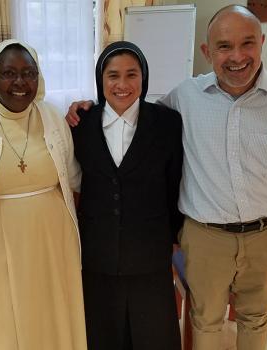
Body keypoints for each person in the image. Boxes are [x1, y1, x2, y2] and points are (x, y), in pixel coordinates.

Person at [66, 5, 267, 350]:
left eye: (247, 44)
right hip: (206, 239)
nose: (237, 57)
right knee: (204, 323)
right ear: (207, 52)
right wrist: (85, 106)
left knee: (256, 320)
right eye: (224, 46)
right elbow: (135, 116)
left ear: (262, 43)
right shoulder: (184, 98)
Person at [0, 39, 87, 350]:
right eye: (9, 73)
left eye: (29, 73)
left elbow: (72, 179)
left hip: (54, 237)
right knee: (5, 313)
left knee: (53, 310)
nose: (20, 82)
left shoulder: (53, 116)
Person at [71, 41, 183, 349]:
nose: (122, 84)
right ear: (100, 80)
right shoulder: (80, 124)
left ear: (143, 78)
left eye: (131, 74)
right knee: (102, 335)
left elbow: (174, 184)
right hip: (97, 253)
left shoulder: (167, 123)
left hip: (150, 253)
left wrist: (174, 237)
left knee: (153, 336)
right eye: (113, 75)